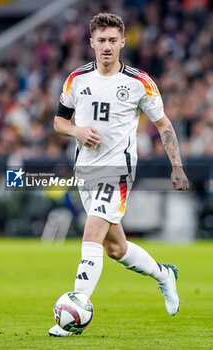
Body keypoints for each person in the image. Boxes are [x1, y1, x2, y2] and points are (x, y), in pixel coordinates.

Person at [49, 13, 189, 337]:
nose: (107, 46)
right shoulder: (76, 80)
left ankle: (75, 308)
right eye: (101, 40)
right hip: (85, 170)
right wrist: (77, 131)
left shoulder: (139, 82)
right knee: (116, 249)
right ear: (91, 43)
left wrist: (177, 166)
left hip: (118, 171)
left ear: (123, 42)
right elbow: (59, 122)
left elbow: (164, 125)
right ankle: (164, 275)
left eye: (113, 40)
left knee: (92, 232)